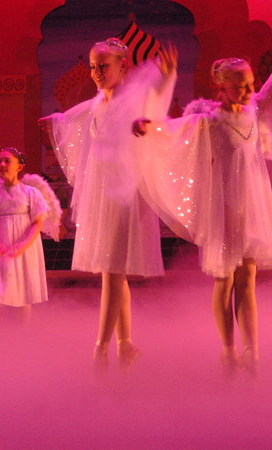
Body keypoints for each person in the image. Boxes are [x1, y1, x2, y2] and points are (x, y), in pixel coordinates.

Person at [132, 25, 272, 374]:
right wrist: (150, 126)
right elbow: (173, 130)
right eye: (240, 85)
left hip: (251, 206)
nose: (248, 90)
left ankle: (252, 350)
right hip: (223, 208)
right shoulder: (208, 121)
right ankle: (228, 350)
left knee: (247, 280)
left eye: (249, 83)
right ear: (220, 86)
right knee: (224, 281)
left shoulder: (254, 110)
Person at [38, 38, 177, 370]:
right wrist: (55, 121)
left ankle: (101, 349)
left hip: (124, 194)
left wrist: (168, 77)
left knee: (112, 273)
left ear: (122, 66)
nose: (96, 72)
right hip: (102, 195)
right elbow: (76, 116)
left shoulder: (133, 99)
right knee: (112, 273)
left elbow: (155, 105)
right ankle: (125, 344)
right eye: (92, 67)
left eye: (103, 66)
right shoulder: (98, 102)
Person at [0, 147, 61, 324]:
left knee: (23, 291)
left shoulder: (31, 193)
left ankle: (23, 336)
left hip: (24, 245)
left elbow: (37, 222)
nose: (2, 164)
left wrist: (22, 245)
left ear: (19, 167)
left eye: (7, 161)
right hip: (0, 245)